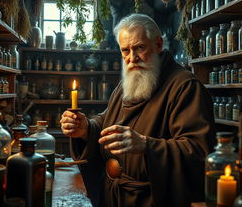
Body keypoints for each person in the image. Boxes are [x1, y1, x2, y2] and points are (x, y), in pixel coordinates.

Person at [60, 13, 216, 207]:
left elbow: (199, 151)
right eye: (125, 50)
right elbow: (108, 120)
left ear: (158, 45)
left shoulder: (185, 87)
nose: (132, 58)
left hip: (151, 199)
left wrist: (145, 144)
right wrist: (86, 129)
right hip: (114, 197)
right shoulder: (130, 82)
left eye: (139, 48)